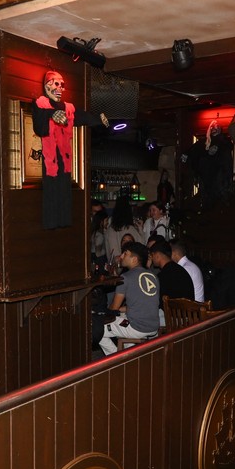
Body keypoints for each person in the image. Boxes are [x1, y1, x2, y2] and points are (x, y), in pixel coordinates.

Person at [32, 70, 109, 229]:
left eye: (62, 85)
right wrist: (52, 115)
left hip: (64, 156)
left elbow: (82, 117)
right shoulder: (41, 104)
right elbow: (39, 127)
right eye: (56, 84)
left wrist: (98, 120)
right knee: (52, 187)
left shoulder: (68, 108)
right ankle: (51, 222)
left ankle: (63, 220)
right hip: (50, 157)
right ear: (47, 86)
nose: (60, 88)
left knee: (64, 187)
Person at [98, 242, 160, 355]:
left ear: (134, 259)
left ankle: (116, 358)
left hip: (137, 328)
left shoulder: (125, 278)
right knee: (122, 318)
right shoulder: (153, 276)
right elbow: (142, 303)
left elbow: (113, 309)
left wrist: (102, 313)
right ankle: (129, 356)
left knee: (97, 329)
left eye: (125, 254)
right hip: (154, 327)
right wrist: (121, 309)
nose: (121, 256)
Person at [104, 195, 143, 266]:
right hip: (129, 266)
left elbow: (110, 251)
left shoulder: (110, 230)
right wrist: (140, 229)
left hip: (114, 267)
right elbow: (141, 246)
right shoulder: (131, 229)